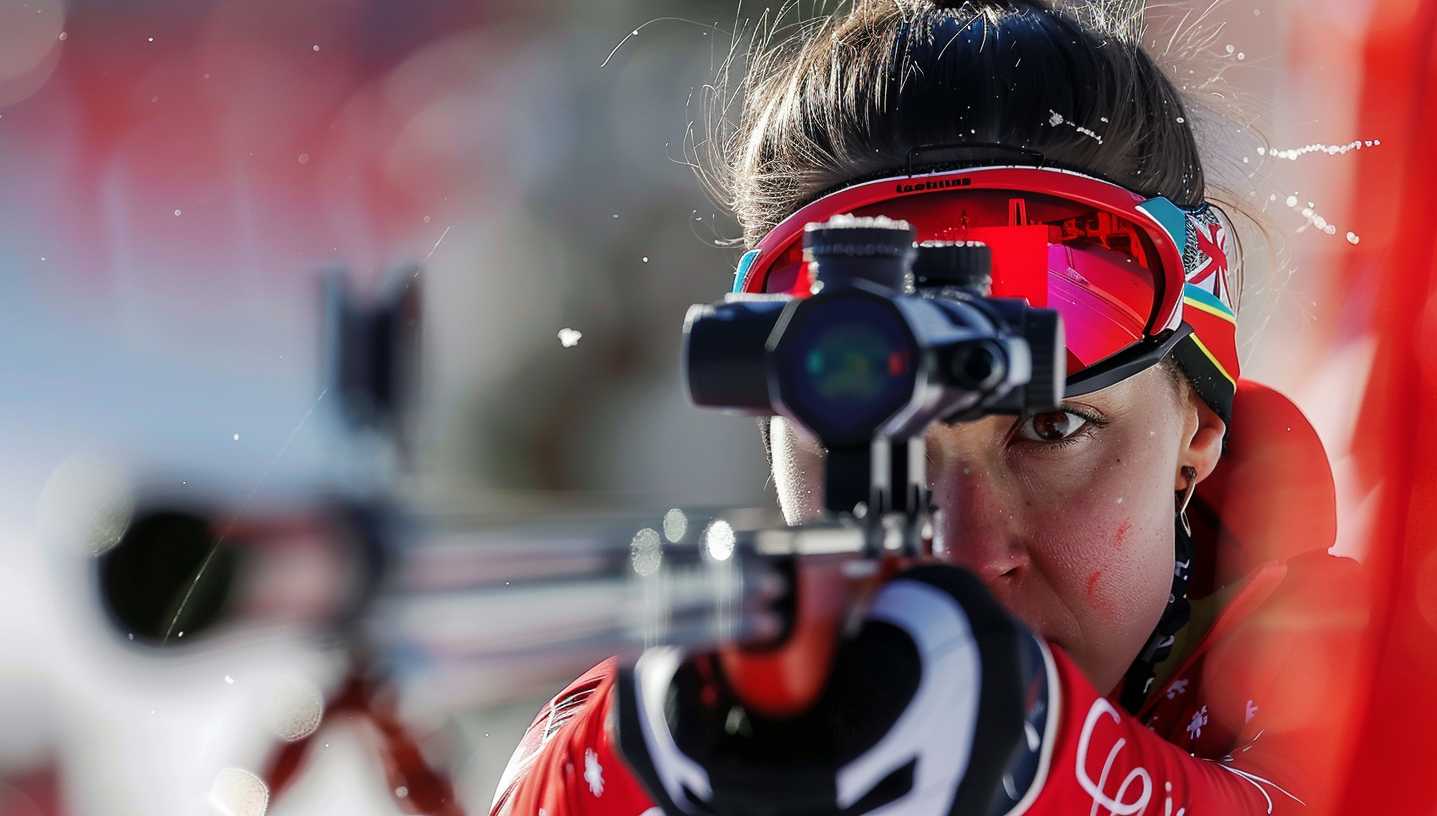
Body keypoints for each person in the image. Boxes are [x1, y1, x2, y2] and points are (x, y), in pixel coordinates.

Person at [492, 2, 1366, 813]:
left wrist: (1029, 758)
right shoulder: (681, 715)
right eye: (870, 436)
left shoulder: (1377, 667)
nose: (959, 555)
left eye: (1051, 426)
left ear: (1197, 432)